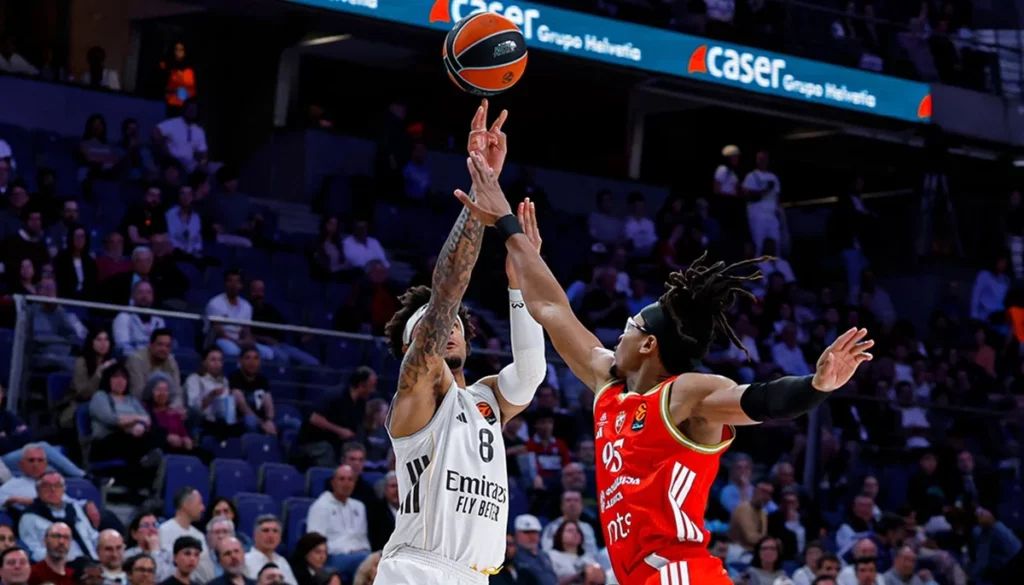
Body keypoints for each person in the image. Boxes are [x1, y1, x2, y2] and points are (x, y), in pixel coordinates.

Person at [455, 145, 875, 585]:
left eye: (630, 327)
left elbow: (762, 400)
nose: (619, 334)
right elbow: (552, 308)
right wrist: (508, 227)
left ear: (649, 345)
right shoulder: (608, 384)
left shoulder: (686, 394)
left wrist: (817, 383)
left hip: (680, 573)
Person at [373, 100, 547, 585]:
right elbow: (448, 288)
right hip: (417, 570)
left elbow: (531, 374)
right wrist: (481, 188)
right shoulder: (416, 391)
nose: (445, 326)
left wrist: (519, 282)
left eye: (451, 324)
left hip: (475, 576)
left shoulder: (487, 398)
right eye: (429, 326)